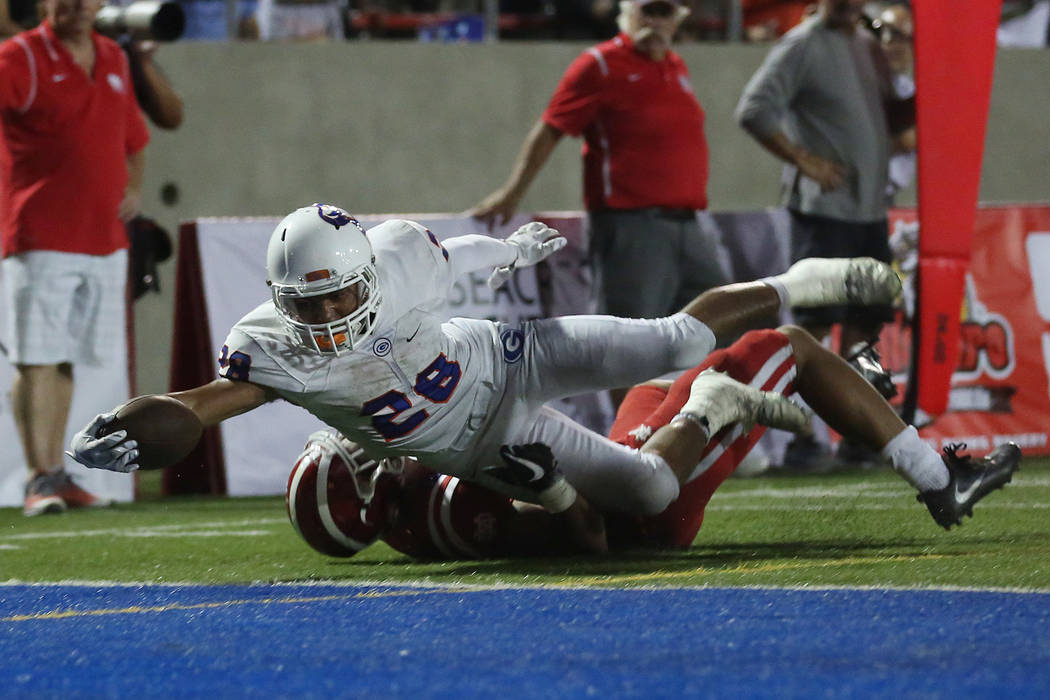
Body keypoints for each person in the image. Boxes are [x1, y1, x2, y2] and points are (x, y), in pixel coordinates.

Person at [69, 202, 901, 519]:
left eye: (337, 296)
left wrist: (505, 253)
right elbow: (203, 403)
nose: (322, 318)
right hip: (484, 447)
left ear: (365, 275)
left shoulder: (396, 258)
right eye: (305, 304)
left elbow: (450, 258)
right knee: (649, 493)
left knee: (676, 338)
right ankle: (710, 405)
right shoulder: (274, 348)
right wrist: (136, 428)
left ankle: (793, 284)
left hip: (506, 360)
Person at [286, 325, 1020, 561]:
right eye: (354, 458)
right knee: (776, 348)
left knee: (664, 379)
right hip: (645, 504)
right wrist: (553, 490)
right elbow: (588, 539)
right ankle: (938, 478)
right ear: (371, 489)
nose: (358, 442)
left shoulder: (413, 511)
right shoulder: (445, 506)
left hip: (621, 479)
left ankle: (836, 388)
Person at [470, 0, 728, 326]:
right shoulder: (600, 64)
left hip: (687, 223)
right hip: (632, 224)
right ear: (627, 13)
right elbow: (550, 129)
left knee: (716, 321)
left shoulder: (675, 66)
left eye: (664, 12)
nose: (655, 21)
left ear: (677, 20)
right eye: (647, 11)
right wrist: (512, 192)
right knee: (629, 333)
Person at [735, 0, 910, 469]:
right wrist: (805, 161)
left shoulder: (868, 45)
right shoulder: (801, 45)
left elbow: (889, 120)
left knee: (865, 327)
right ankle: (801, 440)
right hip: (824, 211)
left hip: (868, 209)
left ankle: (860, 436)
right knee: (811, 327)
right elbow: (753, 109)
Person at [0, 0, 150, 516]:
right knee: (36, 359)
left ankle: (57, 475)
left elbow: (135, 138)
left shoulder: (112, 56)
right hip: (39, 232)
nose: (78, 4)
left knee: (63, 359)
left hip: (103, 237)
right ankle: (38, 478)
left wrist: (134, 187)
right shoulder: (20, 57)